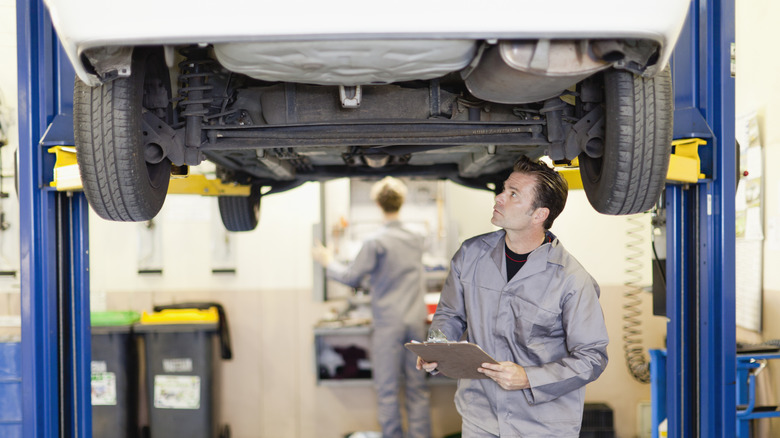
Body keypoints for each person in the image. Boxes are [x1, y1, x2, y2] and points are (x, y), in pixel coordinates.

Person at [417, 156, 609, 437]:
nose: (499, 197)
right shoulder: (470, 255)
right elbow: (450, 315)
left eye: (513, 194)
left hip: (542, 426)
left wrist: (529, 378)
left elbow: (592, 357)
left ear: (539, 214)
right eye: (504, 189)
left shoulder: (571, 280)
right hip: (480, 417)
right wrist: (437, 347)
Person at [312, 176, 431, 438]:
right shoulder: (417, 237)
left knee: (387, 389)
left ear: (378, 204)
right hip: (415, 322)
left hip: (388, 324)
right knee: (417, 389)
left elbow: (351, 277)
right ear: (401, 202)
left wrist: (327, 261)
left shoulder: (375, 242)